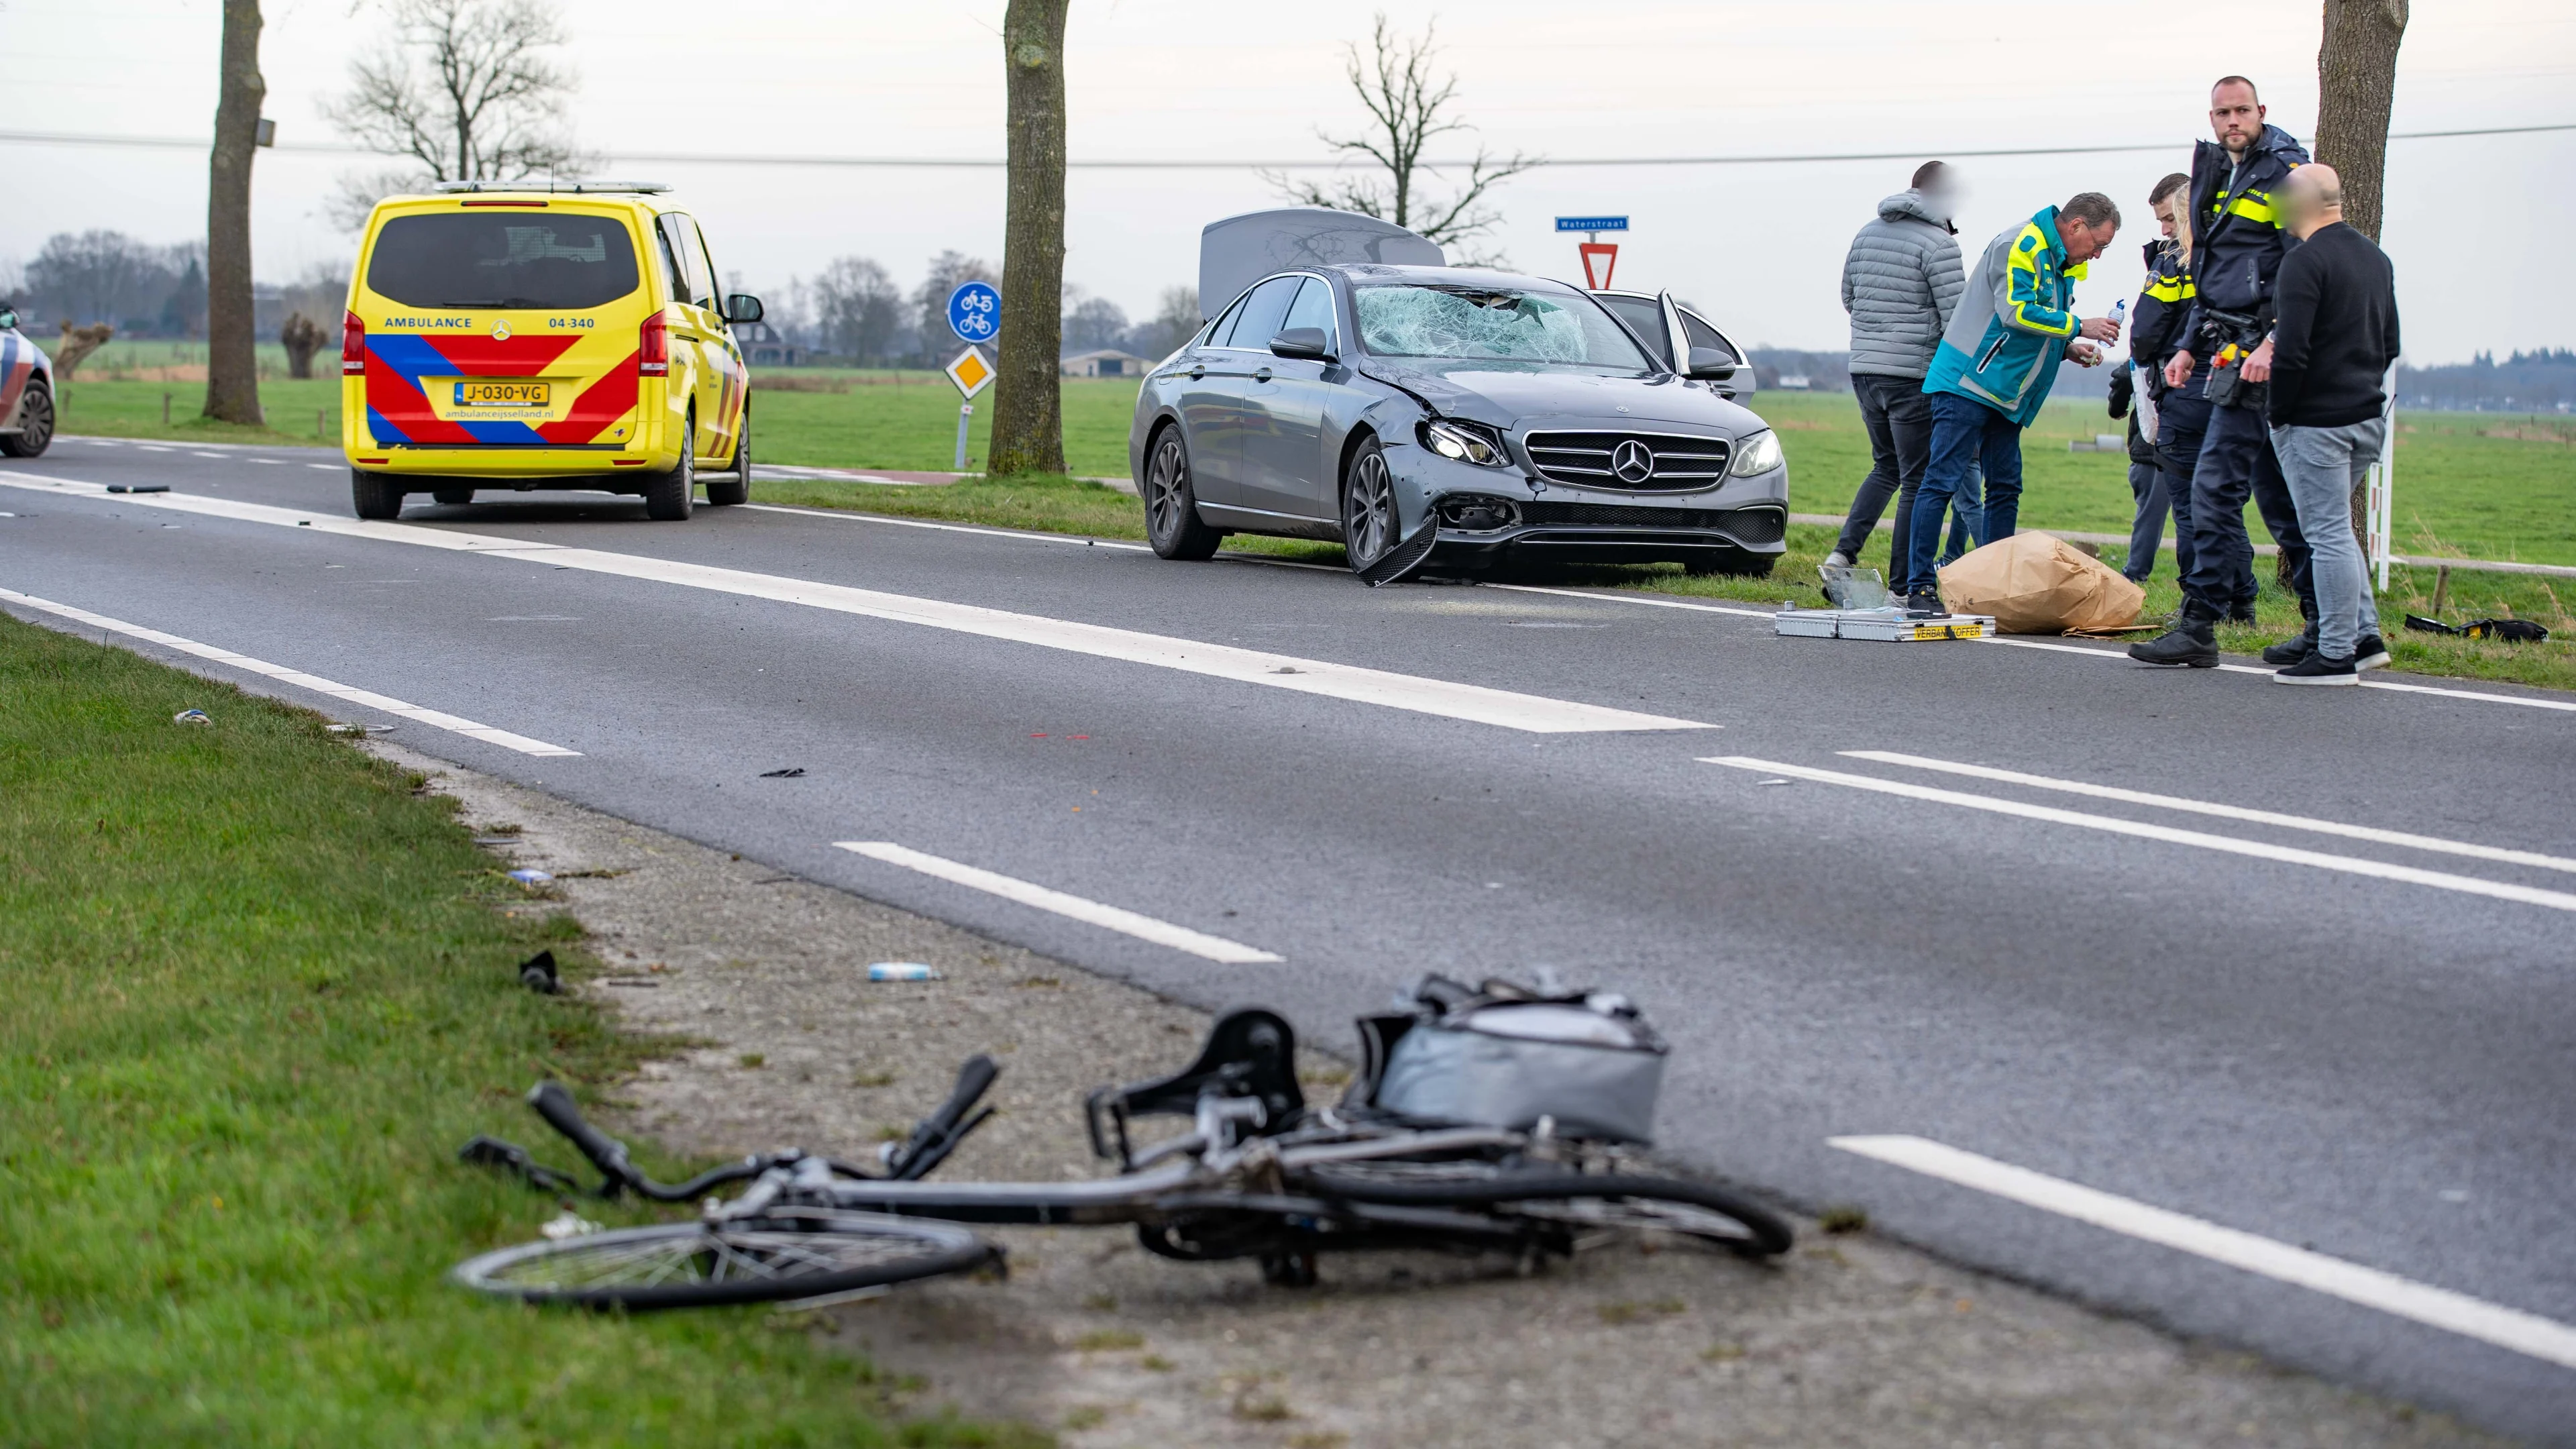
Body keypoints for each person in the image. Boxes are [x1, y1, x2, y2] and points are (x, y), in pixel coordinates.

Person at [2131, 76, 2315, 667]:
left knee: (2213, 488)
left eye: (2242, 110)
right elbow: (2213, 275)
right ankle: (2335, 623)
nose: (2232, 120)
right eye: (2222, 112)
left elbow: (2304, 261)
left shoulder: (2286, 172)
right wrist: (2187, 345)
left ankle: (2201, 625)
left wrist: (2275, 338)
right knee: (2280, 502)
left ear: (2262, 112)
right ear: (2211, 119)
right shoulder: (2218, 170)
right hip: (2223, 347)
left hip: (2260, 356)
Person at [1903, 193, 2123, 614]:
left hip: (2007, 392)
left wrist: (2067, 348)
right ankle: (1920, 586)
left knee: (2005, 486)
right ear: (2076, 225)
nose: (2096, 255)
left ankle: (1993, 585)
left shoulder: (2061, 262)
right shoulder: (2021, 244)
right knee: (1941, 481)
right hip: (1968, 381)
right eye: (2099, 244)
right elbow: (2016, 311)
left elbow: (2034, 329)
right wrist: (2081, 325)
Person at [2264, 162, 2400, 683]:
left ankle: (2337, 652)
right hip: (2367, 416)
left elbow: (2292, 351)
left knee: (2326, 534)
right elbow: (2391, 344)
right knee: (2338, 530)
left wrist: (2280, 413)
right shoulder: (2376, 259)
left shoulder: (2304, 262)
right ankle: (2364, 636)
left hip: (2315, 421)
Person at [1830, 160, 1966, 578]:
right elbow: (1956, 319)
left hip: (1865, 370)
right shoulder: (1940, 244)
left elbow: (1848, 297)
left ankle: (1842, 554)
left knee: (1885, 466)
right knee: (1916, 478)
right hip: (1912, 375)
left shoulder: (1867, 232)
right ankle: (1903, 579)